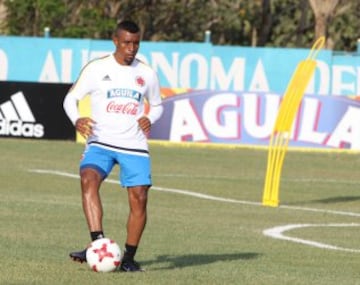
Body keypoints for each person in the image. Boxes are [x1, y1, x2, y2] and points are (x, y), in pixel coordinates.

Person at [63, 20, 163, 272]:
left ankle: (129, 257)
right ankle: (97, 244)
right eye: (127, 43)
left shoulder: (147, 73)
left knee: (139, 197)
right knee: (88, 178)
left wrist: (149, 118)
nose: (132, 48)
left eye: (136, 43)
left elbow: (158, 105)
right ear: (115, 41)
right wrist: (77, 119)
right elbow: (70, 99)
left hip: (134, 144)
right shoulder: (97, 68)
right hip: (101, 141)